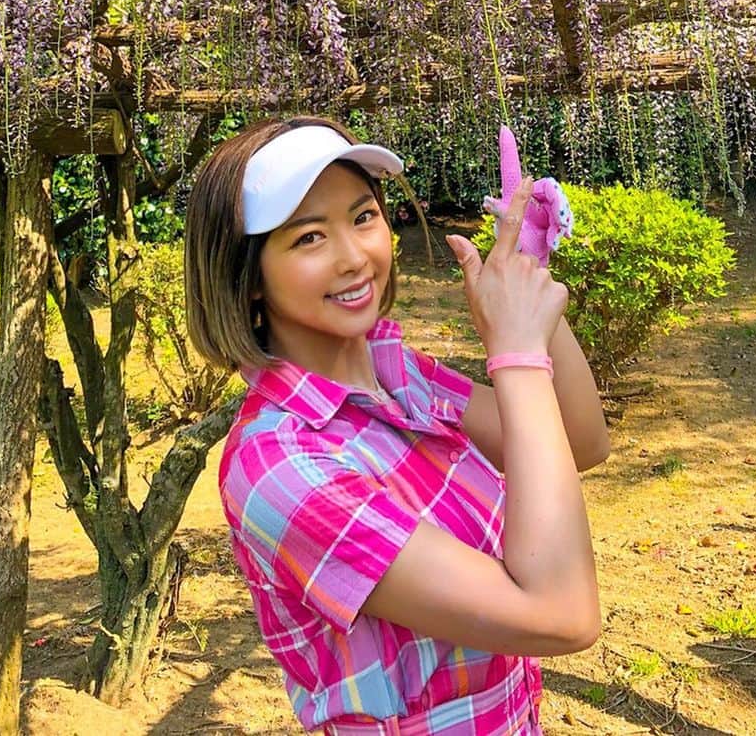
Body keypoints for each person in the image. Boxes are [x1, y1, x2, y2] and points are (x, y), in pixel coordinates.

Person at [185, 115, 608, 735]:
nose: (355, 257)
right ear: (247, 278)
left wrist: (528, 281)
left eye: (363, 217)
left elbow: (580, 442)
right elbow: (562, 614)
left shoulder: (402, 377)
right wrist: (513, 353)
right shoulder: (279, 467)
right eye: (308, 238)